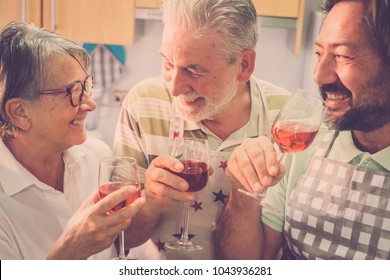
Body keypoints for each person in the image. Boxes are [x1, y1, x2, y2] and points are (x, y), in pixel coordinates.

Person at [113, 0, 291, 259]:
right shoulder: (142, 105)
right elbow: (119, 238)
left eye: (193, 70)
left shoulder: (283, 121)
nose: (174, 88)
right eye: (167, 64)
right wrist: (150, 203)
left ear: (244, 65)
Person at [216, 0, 390, 260]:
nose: (319, 76)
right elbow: (248, 265)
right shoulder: (308, 143)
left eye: (342, 55)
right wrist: (244, 191)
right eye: (319, 53)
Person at [0, 21, 145, 260]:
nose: (90, 104)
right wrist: (70, 251)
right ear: (19, 112)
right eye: (72, 92)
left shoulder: (98, 157)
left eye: (86, 86)